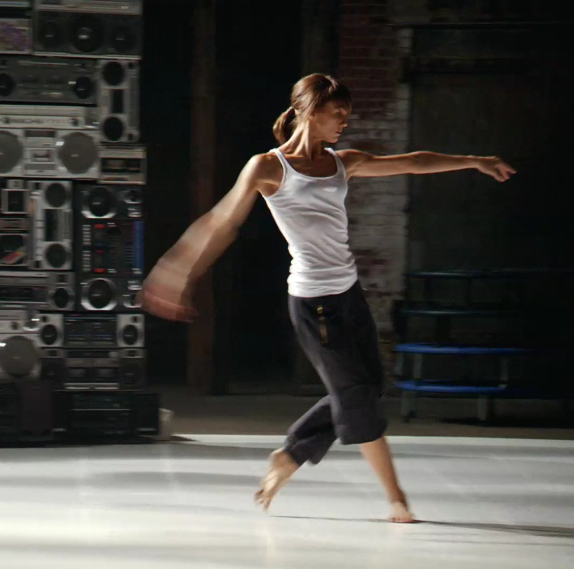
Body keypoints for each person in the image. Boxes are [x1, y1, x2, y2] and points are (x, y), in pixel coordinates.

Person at [137, 73, 516, 523]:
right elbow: (220, 222)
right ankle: (396, 498)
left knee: (369, 386)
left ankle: (291, 453)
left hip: (348, 293)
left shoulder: (343, 162)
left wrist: (474, 161)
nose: (343, 123)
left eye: (346, 115)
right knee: (355, 395)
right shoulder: (268, 167)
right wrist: (175, 271)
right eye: (337, 114)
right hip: (312, 302)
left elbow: (413, 162)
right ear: (310, 111)